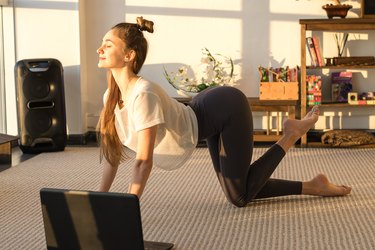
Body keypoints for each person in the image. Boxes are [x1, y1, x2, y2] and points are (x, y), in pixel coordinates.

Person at [97, 17, 351, 207]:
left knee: (239, 196)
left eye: (107, 45)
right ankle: (314, 186)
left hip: (225, 108)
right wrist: (99, 202)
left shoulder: (143, 93)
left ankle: (290, 135)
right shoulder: (111, 96)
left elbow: (143, 161)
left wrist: (127, 210)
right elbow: (112, 156)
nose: (100, 49)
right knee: (239, 189)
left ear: (129, 55)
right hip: (205, 113)